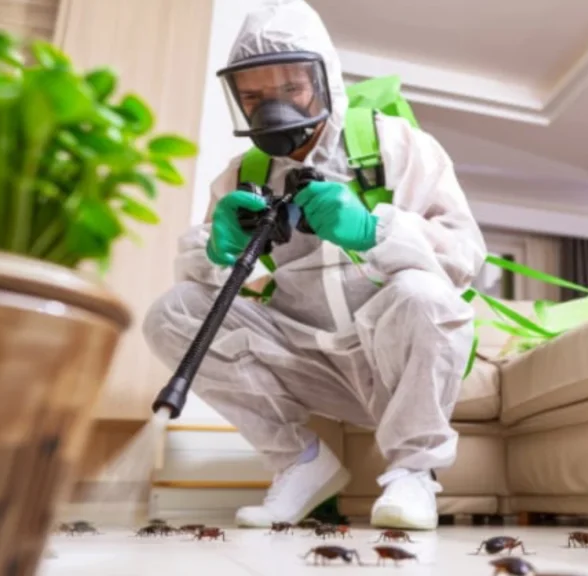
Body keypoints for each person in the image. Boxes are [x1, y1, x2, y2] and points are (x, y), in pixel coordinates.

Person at [142, 0, 486, 531]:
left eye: (290, 90)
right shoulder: (246, 172)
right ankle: (301, 463)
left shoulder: (393, 145)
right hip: (305, 357)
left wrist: (377, 232)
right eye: (253, 96)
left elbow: (464, 256)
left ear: (322, 80)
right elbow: (208, 287)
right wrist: (217, 249)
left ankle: (415, 473)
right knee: (172, 313)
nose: (270, 109)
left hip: (391, 357)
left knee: (423, 293)